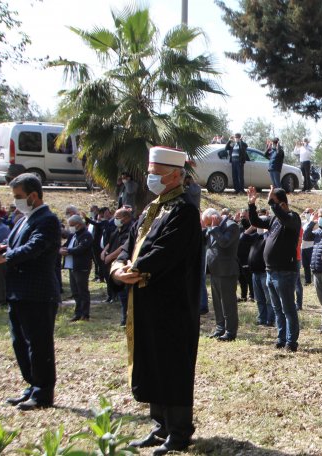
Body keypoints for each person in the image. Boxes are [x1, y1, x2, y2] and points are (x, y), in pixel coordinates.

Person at [111, 147, 201, 454]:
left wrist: (135, 269)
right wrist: (117, 266)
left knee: (172, 365)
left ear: (175, 175)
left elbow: (165, 252)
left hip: (172, 305)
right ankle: (160, 425)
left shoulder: (184, 211)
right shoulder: (154, 207)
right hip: (145, 300)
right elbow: (130, 244)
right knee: (151, 361)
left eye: (156, 172)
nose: (150, 177)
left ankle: (179, 431)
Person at [0, 173, 61, 410]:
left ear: (33, 195)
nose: (15, 201)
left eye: (19, 196)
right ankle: (32, 385)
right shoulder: (24, 219)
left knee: (39, 344)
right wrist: (1, 247)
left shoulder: (48, 219)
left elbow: (35, 247)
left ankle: (43, 393)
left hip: (37, 293)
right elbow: (18, 245)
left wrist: (5, 257)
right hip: (19, 292)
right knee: (20, 343)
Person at [247, 185, 301, 352]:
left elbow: (284, 218)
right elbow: (255, 222)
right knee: (277, 308)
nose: (272, 206)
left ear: (283, 204)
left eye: (275, 203)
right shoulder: (273, 220)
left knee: (288, 308)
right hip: (270, 271)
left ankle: (291, 342)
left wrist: (273, 203)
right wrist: (251, 205)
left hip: (285, 271)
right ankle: (281, 338)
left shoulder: (293, 217)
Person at [203, 207, 241, 342]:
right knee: (217, 302)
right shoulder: (213, 227)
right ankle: (220, 328)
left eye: (208, 223)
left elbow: (224, 242)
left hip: (227, 270)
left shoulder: (232, 226)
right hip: (214, 270)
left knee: (228, 303)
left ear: (215, 218)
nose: (207, 227)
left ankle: (230, 331)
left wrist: (214, 228)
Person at [102, 208, 133, 326]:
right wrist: (104, 250)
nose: (115, 220)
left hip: (123, 264)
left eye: (117, 217)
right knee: (121, 294)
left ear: (126, 218)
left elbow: (123, 247)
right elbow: (111, 241)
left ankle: (127, 319)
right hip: (114, 265)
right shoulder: (118, 229)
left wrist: (110, 256)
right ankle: (124, 317)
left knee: (125, 294)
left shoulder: (131, 229)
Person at [62, 214, 94, 322]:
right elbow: (67, 245)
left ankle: (85, 314)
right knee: (75, 291)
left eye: (72, 225)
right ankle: (78, 313)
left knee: (82, 291)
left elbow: (81, 248)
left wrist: (67, 251)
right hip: (72, 267)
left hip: (81, 267)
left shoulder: (86, 235)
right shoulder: (73, 235)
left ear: (79, 224)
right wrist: (61, 249)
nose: (70, 227)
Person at [248, 216, 274, 326]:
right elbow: (242, 238)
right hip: (255, 272)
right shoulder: (255, 237)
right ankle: (261, 318)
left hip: (265, 272)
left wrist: (266, 231)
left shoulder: (271, 236)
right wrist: (251, 228)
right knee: (259, 299)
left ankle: (270, 319)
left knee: (268, 298)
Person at [237, 212, 255, 302]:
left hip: (249, 256)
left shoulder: (253, 227)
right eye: (241, 217)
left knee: (250, 277)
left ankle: (252, 295)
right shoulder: (238, 227)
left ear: (248, 216)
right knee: (241, 278)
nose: (242, 218)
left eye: (244, 216)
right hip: (239, 257)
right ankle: (243, 296)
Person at [300, 208, 315, 285]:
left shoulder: (315, 223)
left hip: (311, 246)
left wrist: (313, 218)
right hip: (303, 247)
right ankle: (307, 280)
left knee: (312, 264)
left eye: (307, 212)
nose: (306, 213)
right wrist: (301, 215)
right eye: (305, 212)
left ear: (312, 213)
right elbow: (296, 221)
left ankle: (315, 280)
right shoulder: (304, 222)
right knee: (305, 265)